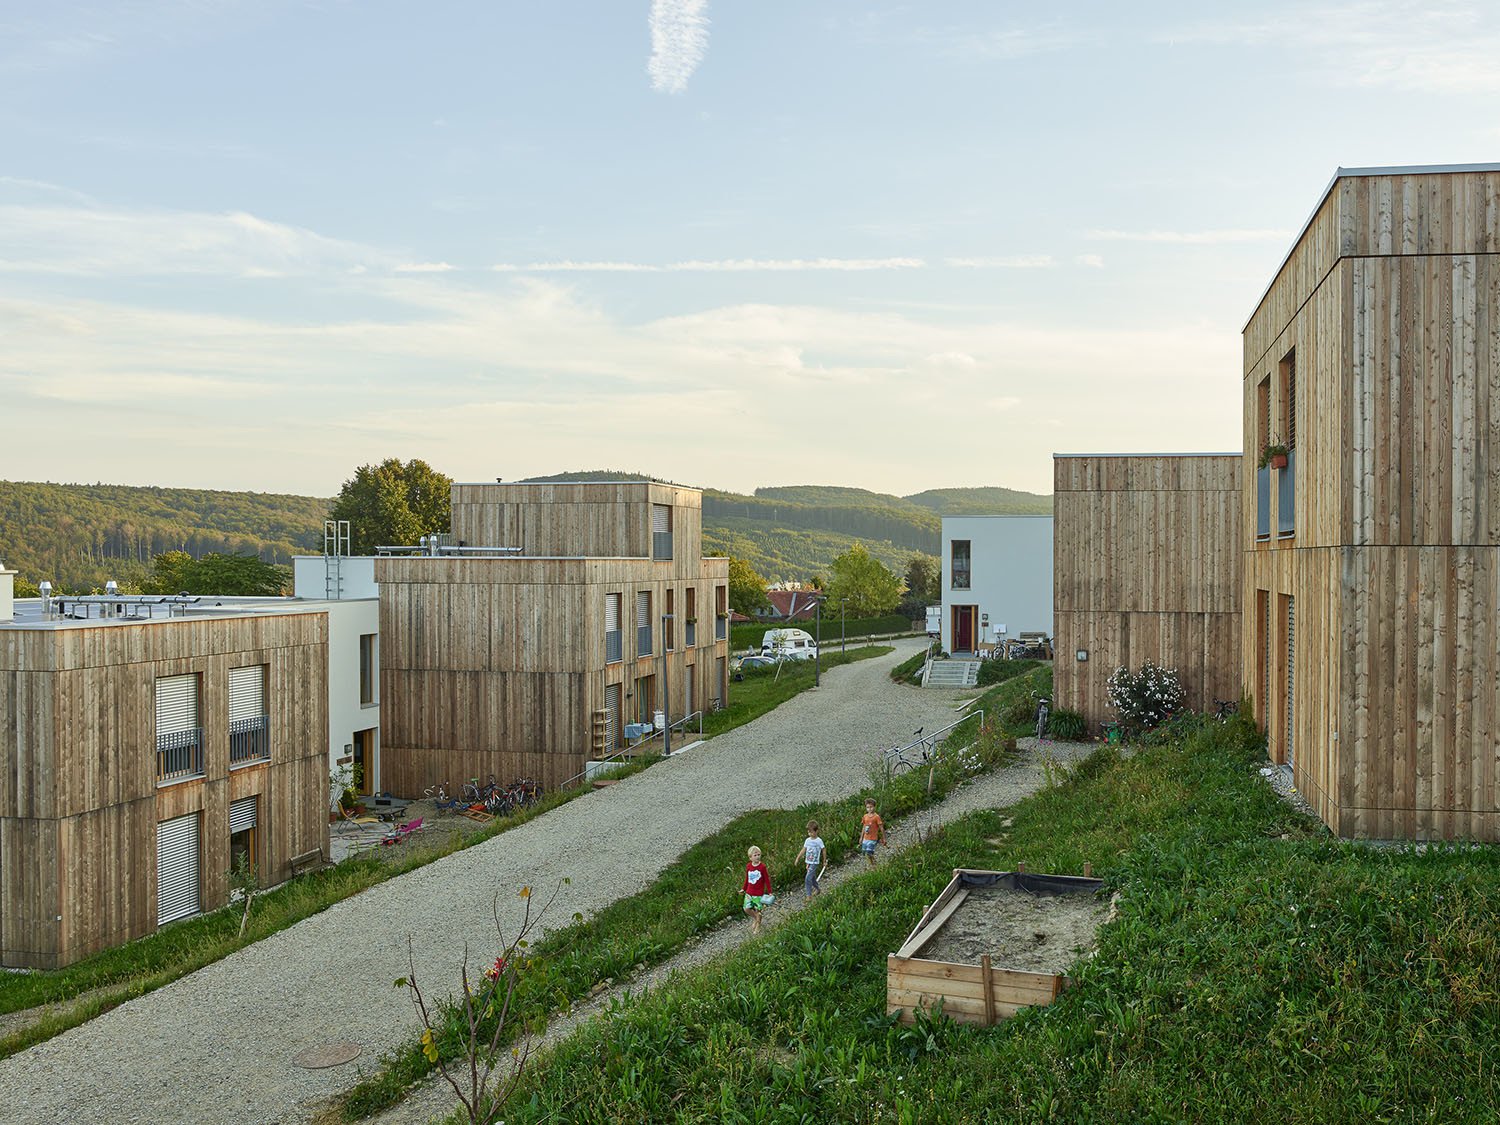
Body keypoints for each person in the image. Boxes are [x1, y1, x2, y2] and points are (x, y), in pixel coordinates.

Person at [742, 845, 772, 934]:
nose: (757, 857)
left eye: (759, 855)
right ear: (750, 857)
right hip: (749, 892)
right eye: (755, 855)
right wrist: (743, 888)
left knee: (758, 909)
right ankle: (756, 918)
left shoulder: (762, 867)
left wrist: (770, 891)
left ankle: (758, 925)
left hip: (758, 893)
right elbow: (747, 879)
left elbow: (767, 879)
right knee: (746, 908)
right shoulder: (748, 866)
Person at [800, 820, 826, 897]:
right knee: (813, 878)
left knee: (808, 878)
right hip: (808, 861)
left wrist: (824, 860)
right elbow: (804, 849)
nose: (810, 834)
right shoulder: (807, 840)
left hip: (814, 862)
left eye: (811, 832)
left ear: (816, 831)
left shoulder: (819, 841)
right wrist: (798, 858)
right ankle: (818, 889)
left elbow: (823, 850)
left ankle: (809, 895)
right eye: (809, 832)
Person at [859, 798, 886, 868]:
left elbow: (881, 828)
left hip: (873, 838)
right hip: (865, 838)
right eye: (868, 807)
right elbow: (864, 827)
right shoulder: (865, 816)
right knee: (864, 852)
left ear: (874, 807)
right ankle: (873, 862)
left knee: (869, 852)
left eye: (871, 807)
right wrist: (861, 837)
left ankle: (874, 865)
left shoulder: (876, 817)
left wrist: (884, 838)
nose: (869, 809)